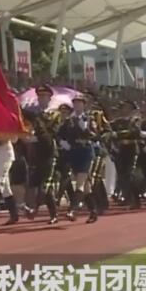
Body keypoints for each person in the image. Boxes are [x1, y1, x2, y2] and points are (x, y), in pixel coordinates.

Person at [22, 84, 64, 224]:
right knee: (34, 183)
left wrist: (38, 136)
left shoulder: (55, 115)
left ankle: (52, 214)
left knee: (46, 185)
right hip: (35, 153)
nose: (41, 99)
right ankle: (33, 207)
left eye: (44, 96)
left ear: (49, 98)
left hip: (50, 152)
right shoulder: (34, 114)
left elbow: (53, 132)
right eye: (40, 96)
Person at [57, 94, 99, 222]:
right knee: (86, 187)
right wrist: (63, 143)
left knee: (80, 183)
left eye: (79, 103)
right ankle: (93, 211)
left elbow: (95, 136)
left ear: (84, 105)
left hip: (86, 151)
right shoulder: (69, 120)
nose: (77, 105)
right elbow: (59, 134)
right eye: (75, 103)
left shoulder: (89, 119)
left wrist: (85, 129)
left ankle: (72, 210)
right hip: (74, 152)